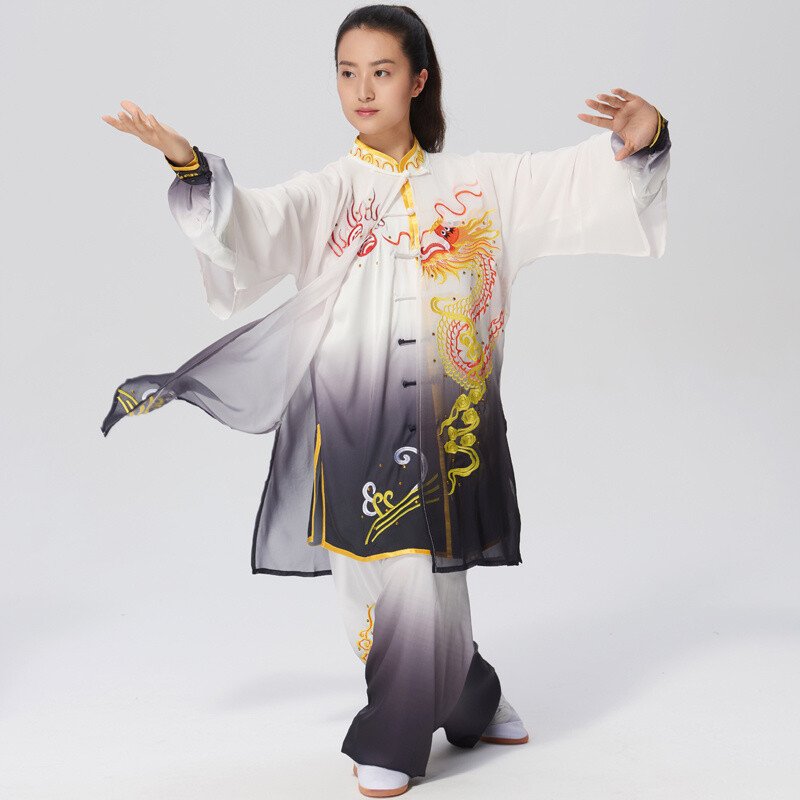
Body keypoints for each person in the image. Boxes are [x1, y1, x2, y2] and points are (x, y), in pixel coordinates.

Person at [100, 5, 671, 796]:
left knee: (425, 577)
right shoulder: (329, 192)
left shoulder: (478, 185)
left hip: (447, 426)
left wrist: (643, 139)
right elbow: (251, 226)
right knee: (370, 585)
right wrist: (190, 165)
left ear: (418, 80)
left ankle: (399, 737)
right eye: (347, 73)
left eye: (381, 72)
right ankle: (474, 696)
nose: (362, 90)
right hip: (354, 423)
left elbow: (574, 184)